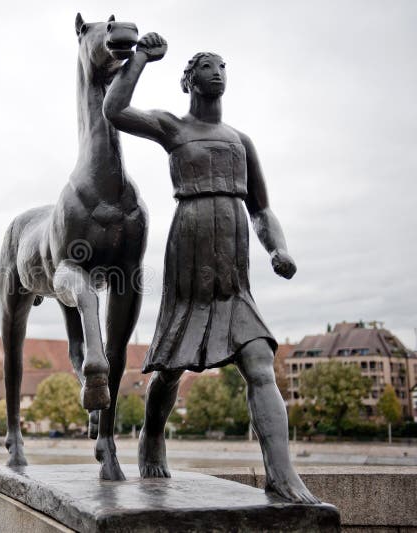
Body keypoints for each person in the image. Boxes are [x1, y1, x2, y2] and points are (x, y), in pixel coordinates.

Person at [103, 32, 318, 504]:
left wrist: (277, 249)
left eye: (222, 67)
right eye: (206, 66)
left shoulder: (241, 141)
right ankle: (152, 435)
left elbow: (262, 209)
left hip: (234, 268)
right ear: (189, 80)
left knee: (259, 361)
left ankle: (282, 476)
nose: (217, 72)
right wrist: (140, 59)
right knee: (171, 368)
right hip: (189, 257)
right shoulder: (173, 128)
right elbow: (114, 111)